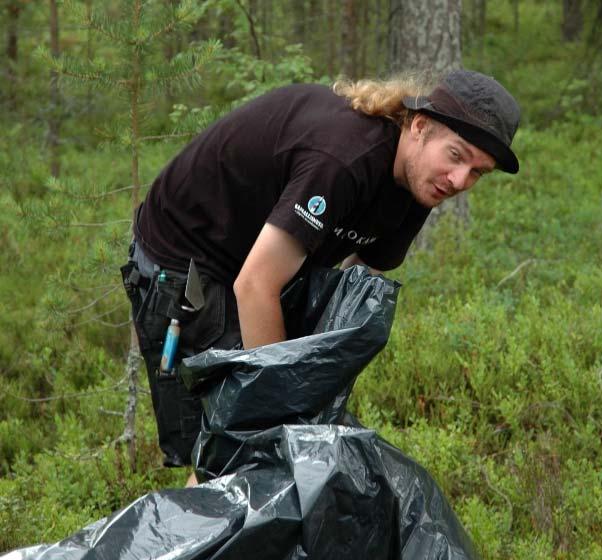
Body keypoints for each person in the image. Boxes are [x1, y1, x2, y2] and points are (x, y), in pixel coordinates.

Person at [121, 68, 521, 484]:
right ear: (419, 127)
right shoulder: (344, 159)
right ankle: (188, 536)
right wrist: (282, 420)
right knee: (235, 447)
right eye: (456, 156)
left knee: (258, 442)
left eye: (478, 172)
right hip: (188, 254)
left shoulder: (421, 184)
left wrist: (311, 394)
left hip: (260, 260)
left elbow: (349, 295)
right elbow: (255, 286)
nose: (460, 181)